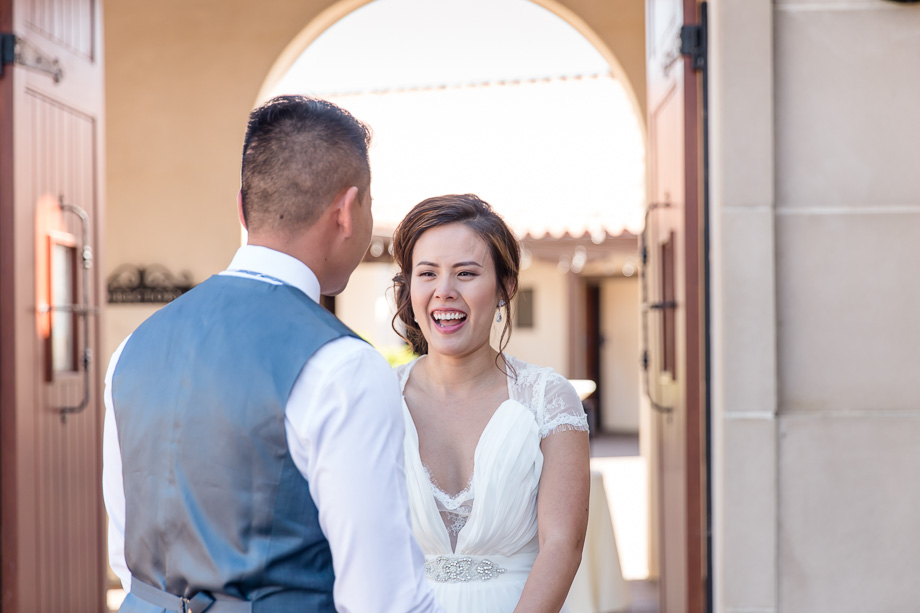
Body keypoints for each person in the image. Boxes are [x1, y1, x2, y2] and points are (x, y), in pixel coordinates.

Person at [102, 95, 441, 613]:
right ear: (348, 211)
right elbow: (383, 600)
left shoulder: (133, 348)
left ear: (241, 208)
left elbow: (128, 559)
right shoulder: (343, 365)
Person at [390, 194, 591, 613]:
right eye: (427, 274)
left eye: (466, 273)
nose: (444, 292)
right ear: (409, 288)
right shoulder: (378, 397)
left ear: (505, 288)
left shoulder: (548, 399)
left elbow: (563, 544)